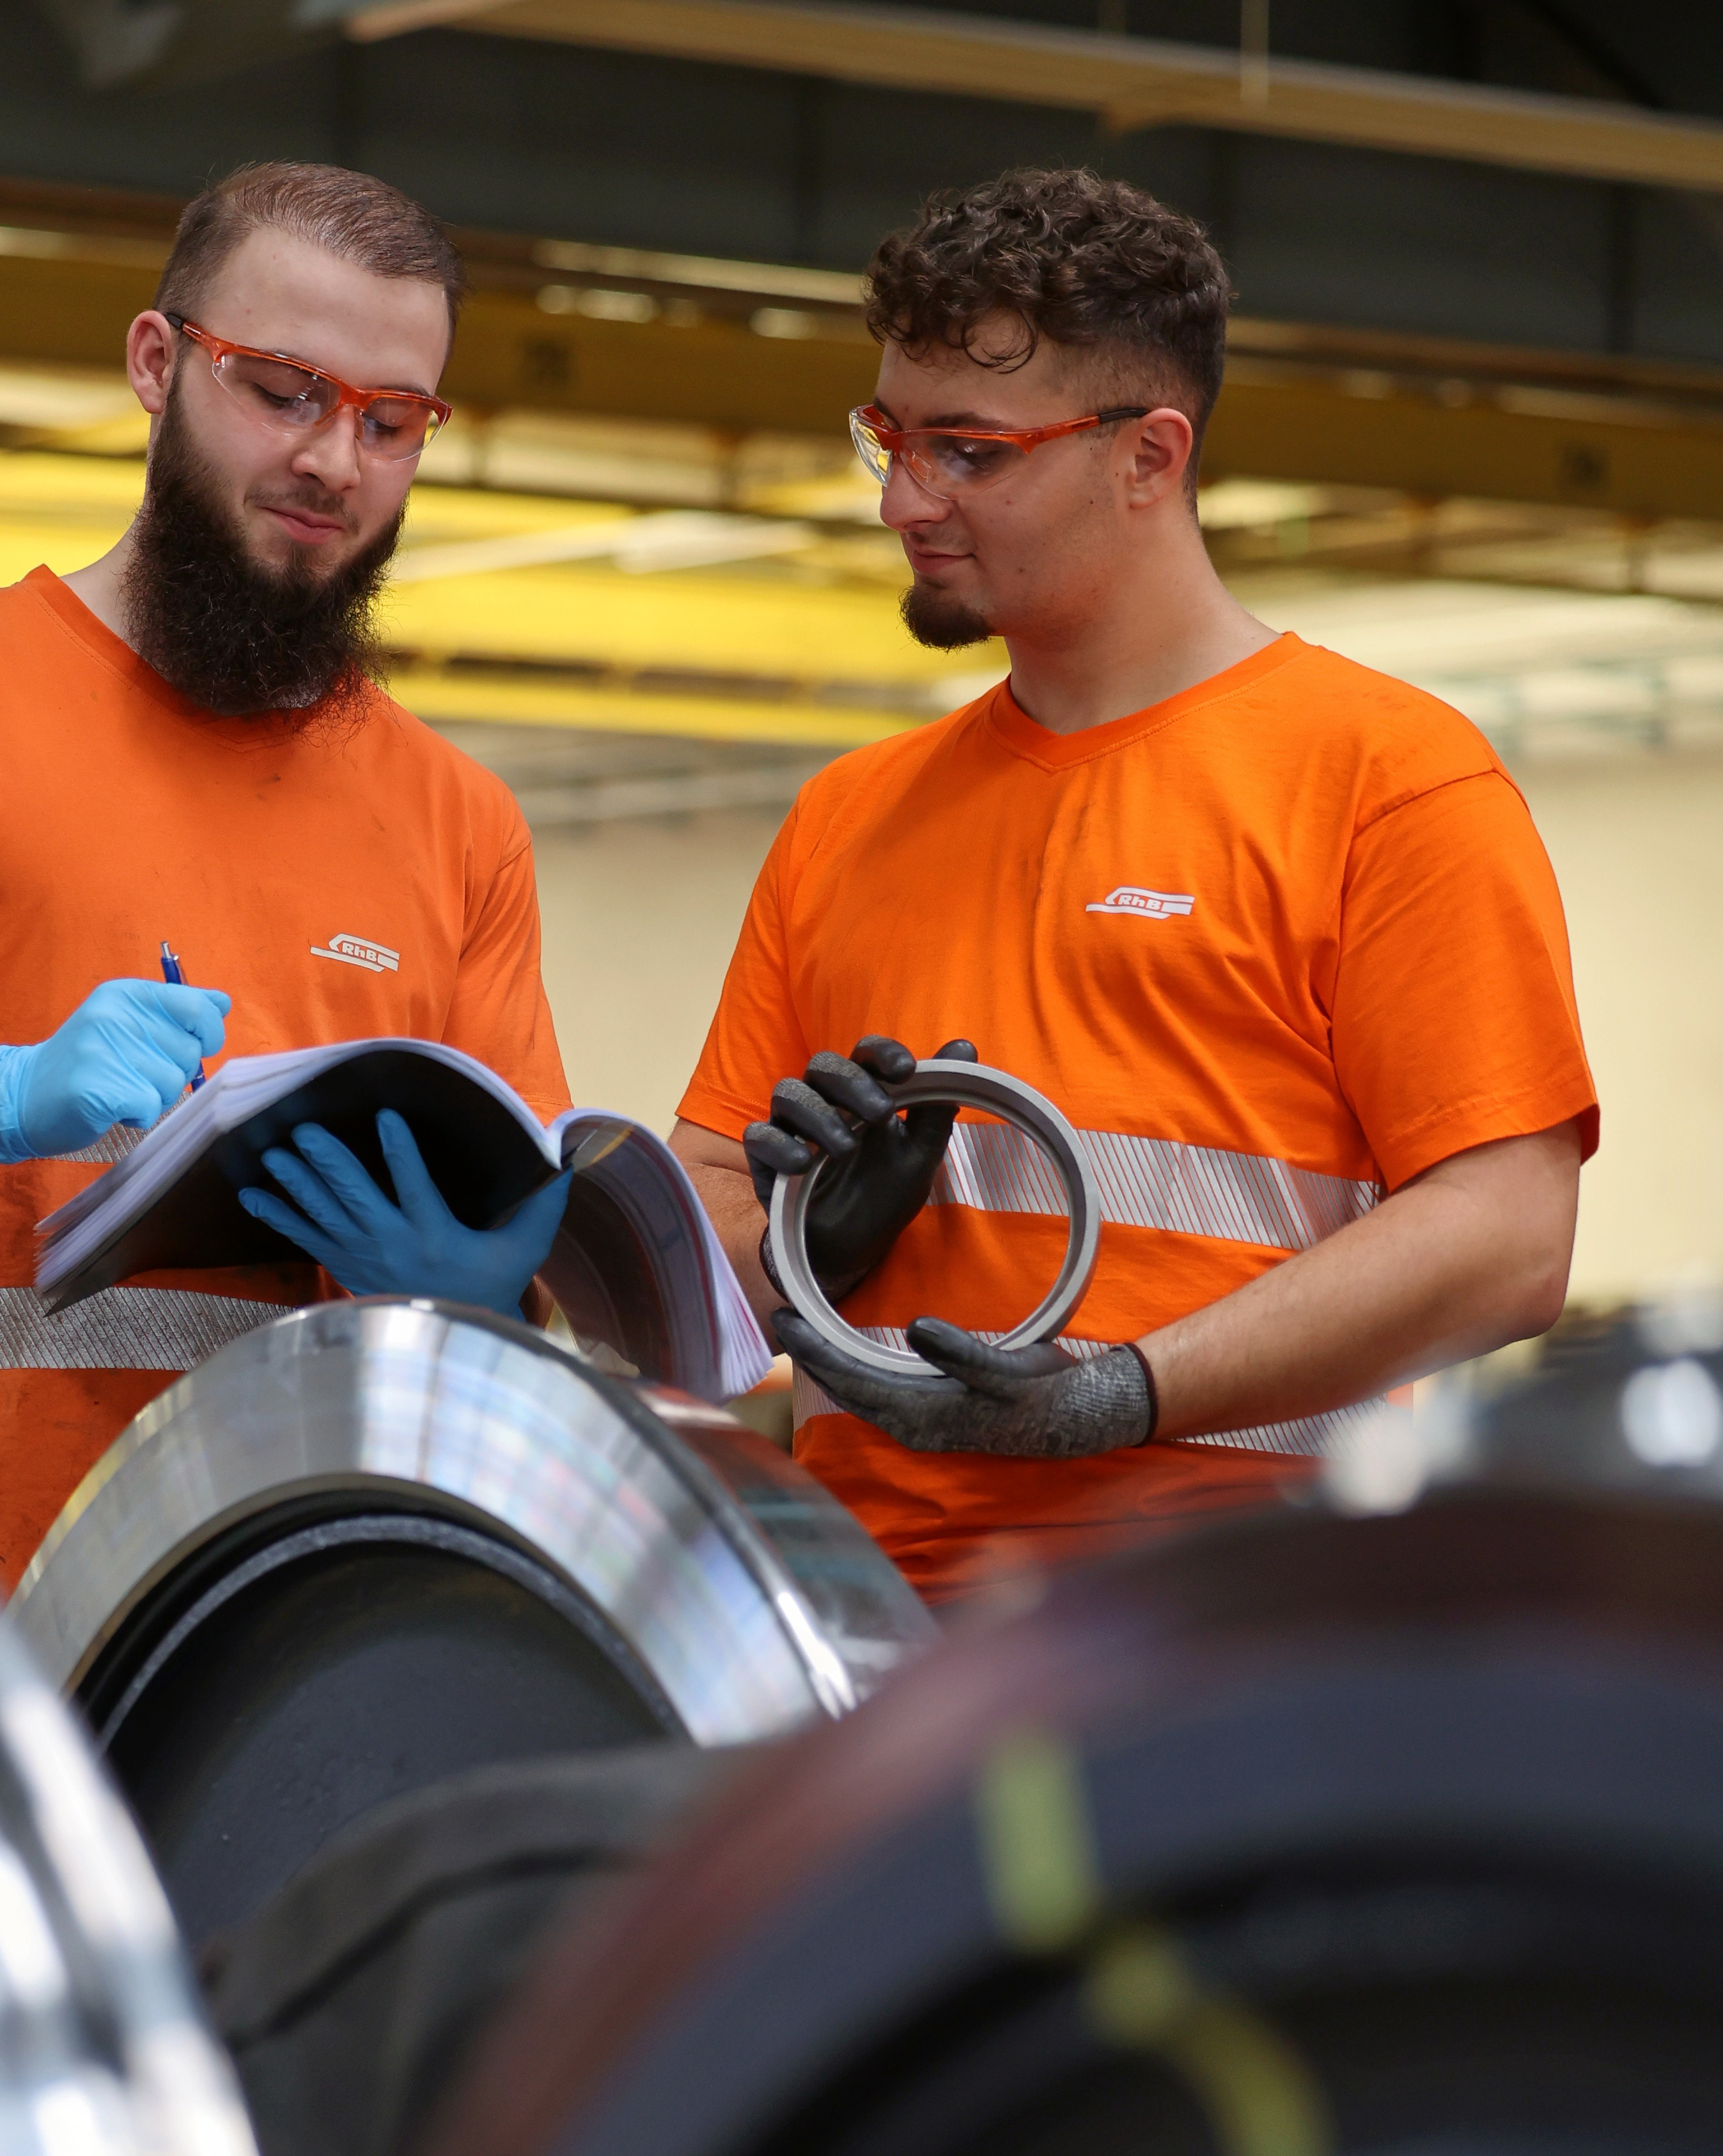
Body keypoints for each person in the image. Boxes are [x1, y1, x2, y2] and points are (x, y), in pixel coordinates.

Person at [0, 160, 571, 1591]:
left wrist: (496, 1296)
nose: (336, 459)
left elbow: (537, 1232)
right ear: (157, 362)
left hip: (315, 1611)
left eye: (391, 423)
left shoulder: (458, 821)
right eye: (282, 392)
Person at [671, 165, 1595, 1604]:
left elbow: (1505, 1238)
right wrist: (802, 1243)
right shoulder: (845, 816)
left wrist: (1121, 1393)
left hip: (1230, 1631)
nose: (903, 501)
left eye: (967, 451)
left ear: (1148, 456)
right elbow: (695, 1227)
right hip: (863, 1625)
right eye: (888, 440)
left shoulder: (1384, 780)